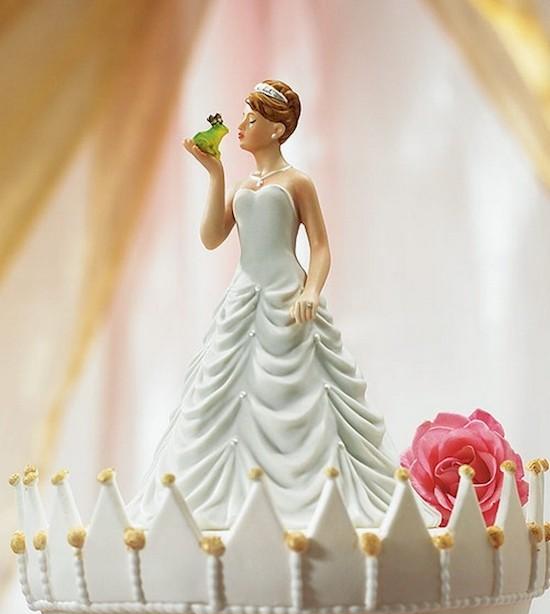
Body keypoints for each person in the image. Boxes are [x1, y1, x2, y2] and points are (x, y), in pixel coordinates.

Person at [126, 79, 440, 530]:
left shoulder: (297, 182)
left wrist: (311, 290)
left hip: (286, 295)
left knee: (305, 390)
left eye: (252, 119)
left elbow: (321, 246)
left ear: (276, 130)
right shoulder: (241, 184)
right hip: (244, 296)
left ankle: (308, 491)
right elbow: (211, 237)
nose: (241, 126)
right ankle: (231, 499)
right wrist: (214, 175)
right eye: (243, 117)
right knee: (225, 390)